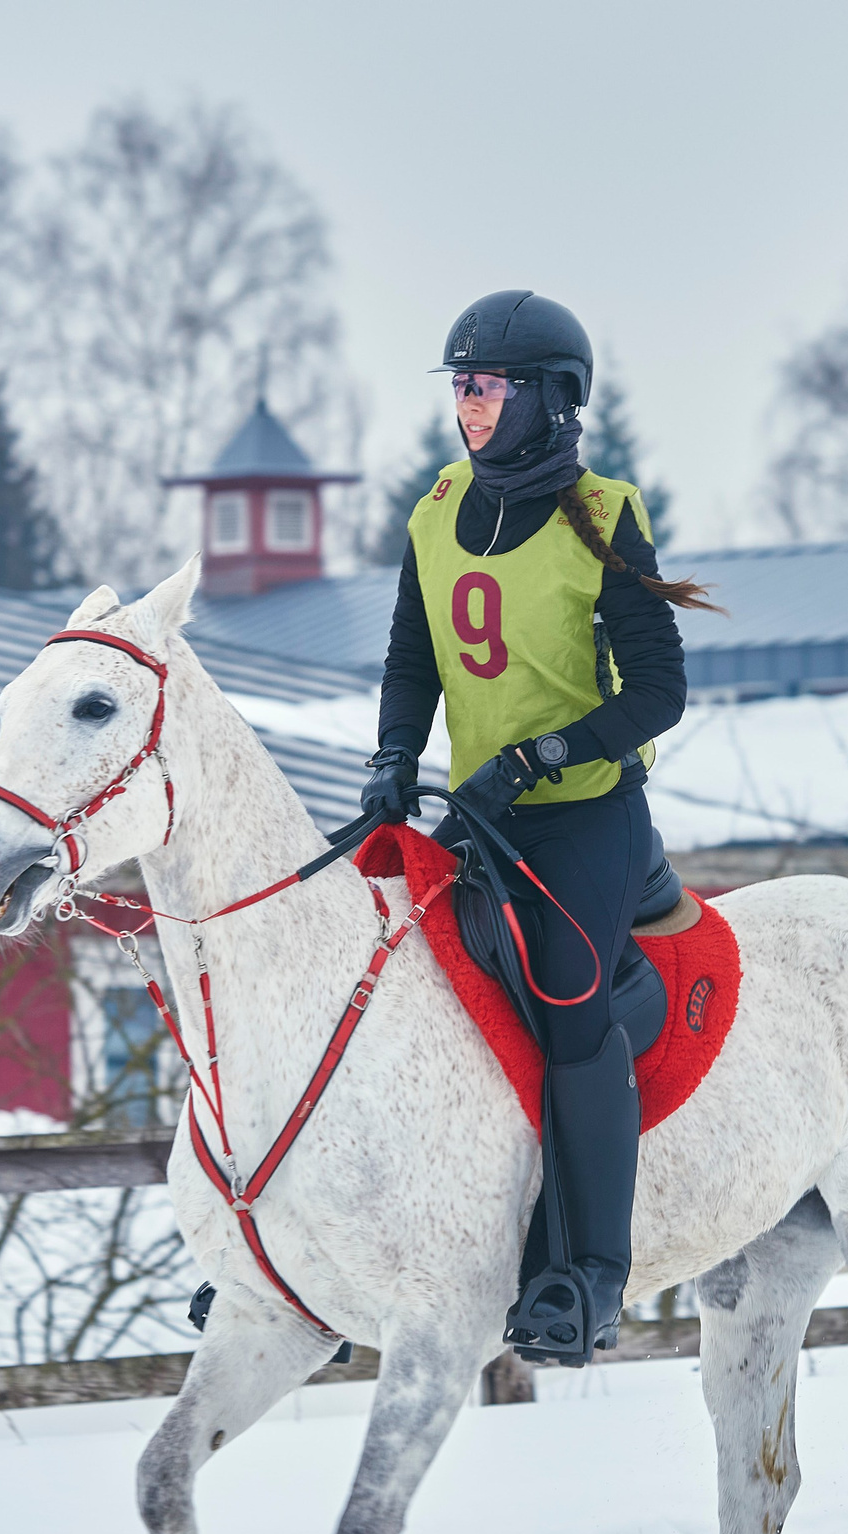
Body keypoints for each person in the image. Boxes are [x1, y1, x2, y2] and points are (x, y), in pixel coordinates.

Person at [361, 289, 717, 1362]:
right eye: (460, 387)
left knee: (568, 998)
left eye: (486, 387)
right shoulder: (433, 512)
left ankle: (586, 1278)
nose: (467, 406)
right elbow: (412, 660)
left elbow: (658, 692)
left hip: (580, 818)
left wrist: (538, 756)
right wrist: (391, 758)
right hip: (472, 814)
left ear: (550, 400)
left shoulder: (603, 516)